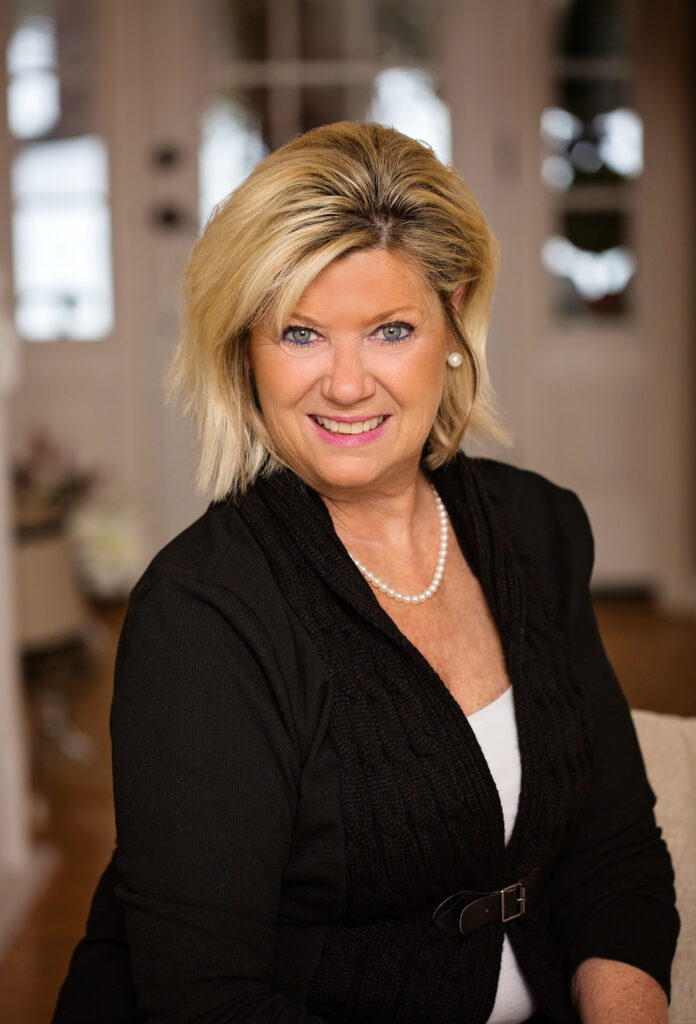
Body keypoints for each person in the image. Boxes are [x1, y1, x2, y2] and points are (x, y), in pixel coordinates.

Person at [53, 121, 678, 1024]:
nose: (346, 386)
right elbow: (207, 1001)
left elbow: (611, 851)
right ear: (244, 350)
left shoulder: (538, 529)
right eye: (301, 333)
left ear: (453, 321)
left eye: (390, 330)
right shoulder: (202, 612)